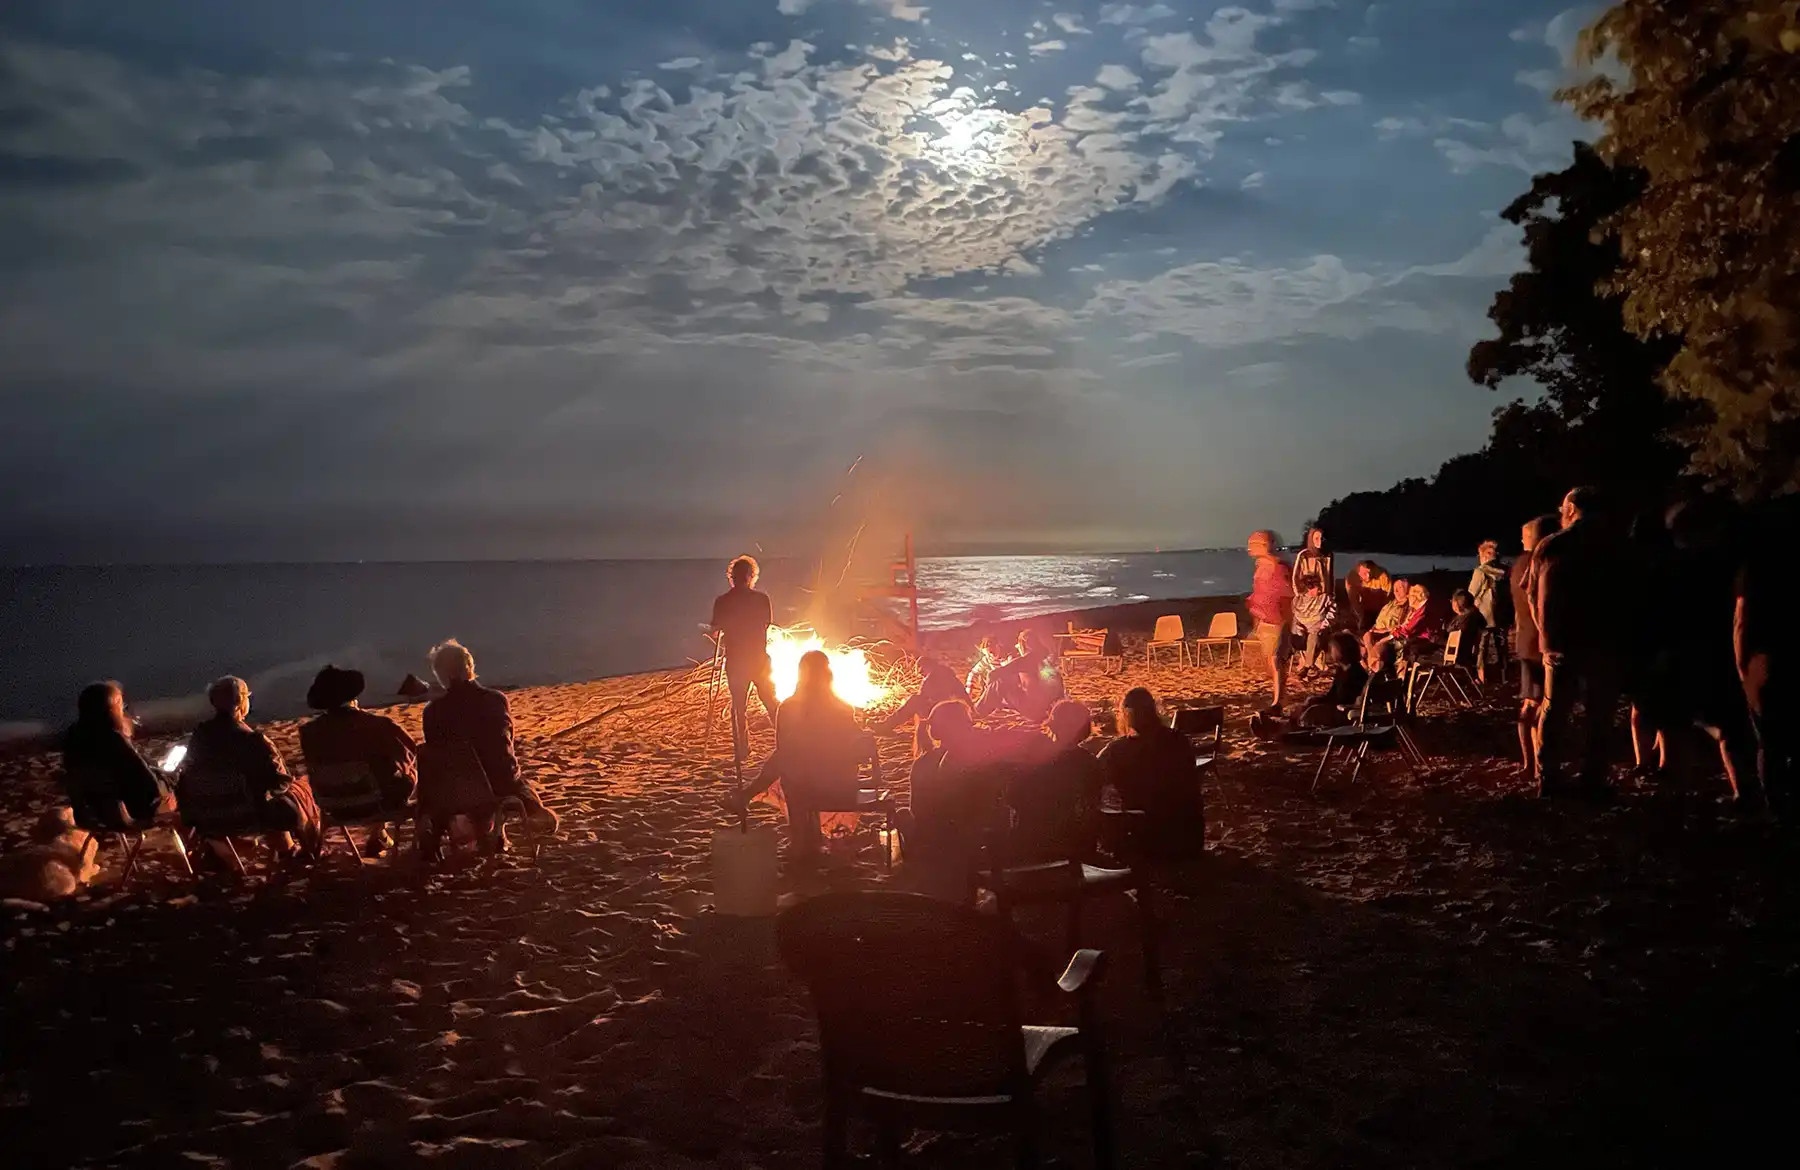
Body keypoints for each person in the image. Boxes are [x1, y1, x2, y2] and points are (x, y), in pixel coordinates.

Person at [732, 650, 878, 860]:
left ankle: (754, 799)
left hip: (808, 788)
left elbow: (783, 754)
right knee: (792, 764)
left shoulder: (789, 708)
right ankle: (752, 797)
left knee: (787, 764)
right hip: (842, 786)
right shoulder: (844, 708)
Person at [1531, 487, 1627, 798]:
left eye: (1562, 508)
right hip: (1602, 640)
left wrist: (1544, 635)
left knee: (1554, 709)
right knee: (1599, 713)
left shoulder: (1551, 545)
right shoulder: (1614, 544)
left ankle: (1549, 777)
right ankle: (1593, 777)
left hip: (1561, 642)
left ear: (1572, 508)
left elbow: (1532, 595)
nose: (1560, 513)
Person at [422, 639, 559, 840]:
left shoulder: (432, 712)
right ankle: (532, 813)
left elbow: (436, 753)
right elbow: (504, 748)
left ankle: (476, 830)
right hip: (496, 784)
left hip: (451, 791)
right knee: (514, 778)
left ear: (443, 675)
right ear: (469, 667)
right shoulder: (494, 700)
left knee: (486, 776)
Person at [180, 676, 323, 861]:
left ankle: (220, 851)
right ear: (241, 703)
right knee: (295, 791)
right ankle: (297, 850)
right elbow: (278, 780)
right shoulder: (251, 740)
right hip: (247, 814)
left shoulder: (199, 737)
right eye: (247, 697)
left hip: (207, 813)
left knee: (265, 793)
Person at [298, 665, 419, 855]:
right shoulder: (377, 725)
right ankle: (380, 833)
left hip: (333, 806)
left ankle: (378, 835)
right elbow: (408, 750)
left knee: (374, 773)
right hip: (376, 803)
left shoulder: (308, 733)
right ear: (353, 696)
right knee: (400, 773)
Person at [1738, 495, 1800, 818]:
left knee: (1771, 739)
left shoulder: (1759, 565)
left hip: (1769, 658)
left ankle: (1776, 808)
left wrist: (1741, 663)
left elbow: (1742, 618)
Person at [1098, 688, 1204, 859]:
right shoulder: (1178, 740)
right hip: (1188, 834)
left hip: (1150, 838)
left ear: (1126, 714)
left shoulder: (1118, 750)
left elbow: (1094, 772)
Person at [60, 681, 171, 830]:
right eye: (121, 704)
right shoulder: (113, 739)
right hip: (127, 815)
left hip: (91, 815)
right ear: (111, 708)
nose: (123, 709)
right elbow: (150, 785)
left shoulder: (73, 739)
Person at [1004, 699, 1104, 864]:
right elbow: (1093, 804)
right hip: (1075, 848)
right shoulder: (1089, 763)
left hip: (1030, 845)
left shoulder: (1034, 759)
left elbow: (1012, 797)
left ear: (1052, 725)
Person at [709, 555, 781, 764]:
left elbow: (715, 630)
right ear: (751, 576)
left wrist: (718, 629)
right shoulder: (761, 599)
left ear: (731, 577)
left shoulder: (722, 601)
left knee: (738, 706)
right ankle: (785, 740)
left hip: (737, 660)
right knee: (769, 700)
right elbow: (766, 624)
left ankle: (743, 749)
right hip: (759, 658)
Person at [1512, 514, 1560, 778]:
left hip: (1527, 643)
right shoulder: (1540, 563)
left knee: (1534, 703)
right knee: (1537, 706)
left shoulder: (1520, 563)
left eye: (1523, 535)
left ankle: (1531, 764)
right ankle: (1537, 765)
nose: (1520, 540)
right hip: (1540, 645)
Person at [878, 656, 970, 756]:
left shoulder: (931, 678)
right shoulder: (950, 675)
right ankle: (887, 724)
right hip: (955, 712)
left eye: (921, 670)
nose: (920, 673)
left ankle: (887, 725)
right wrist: (972, 710)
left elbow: (922, 698)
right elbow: (964, 694)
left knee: (914, 701)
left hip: (940, 713)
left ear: (927, 666)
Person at [1246, 530, 1295, 713]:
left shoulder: (1279, 567)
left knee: (1276, 660)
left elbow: (1288, 593)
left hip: (1279, 620)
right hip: (1264, 619)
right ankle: (1281, 694)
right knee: (1270, 661)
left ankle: (1278, 701)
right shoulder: (1261, 566)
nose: (1249, 548)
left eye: (1253, 544)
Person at [974, 629, 1065, 722]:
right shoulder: (1049, 658)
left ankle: (977, 712)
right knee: (1009, 680)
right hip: (1053, 710)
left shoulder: (1024, 661)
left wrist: (989, 689)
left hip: (1037, 713)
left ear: (1023, 645)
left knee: (1000, 683)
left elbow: (992, 674)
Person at [1290, 527, 1337, 676]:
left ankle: (1309, 664)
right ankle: (1306, 661)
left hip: (1323, 598)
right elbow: (1295, 577)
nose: (1319, 541)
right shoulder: (1304, 555)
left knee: (1317, 630)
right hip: (1307, 597)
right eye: (1316, 538)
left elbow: (1330, 576)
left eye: (1321, 538)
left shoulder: (1328, 555)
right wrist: (1304, 593)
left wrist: (1331, 593)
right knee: (1299, 629)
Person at [1296, 633, 1369, 727]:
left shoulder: (1354, 674)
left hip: (1345, 711)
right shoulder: (1342, 670)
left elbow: (1343, 700)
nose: (1330, 652)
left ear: (1342, 650)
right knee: (1310, 702)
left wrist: (1320, 703)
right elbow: (1332, 694)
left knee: (1313, 711)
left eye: (1332, 649)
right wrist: (1317, 700)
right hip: (1338, 706)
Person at [1362, 576, 1412, 660]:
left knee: (1367, 639)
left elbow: (1403, 626)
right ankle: (1369, 663)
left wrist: (1383, 630)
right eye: (1395, 588)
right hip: (1375, 632)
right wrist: (1374, 628)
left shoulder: (1408, 606)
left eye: (1399, 588)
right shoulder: (1389, 604)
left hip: (1388, 635)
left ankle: (1371, 664)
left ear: (1407, 589)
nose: (1395, 591)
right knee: (1357, 644)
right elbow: (1378, 621)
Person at [1467, 541, 1509, 630]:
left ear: (1484, 556)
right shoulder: (1506, 572)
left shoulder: (1480, 572)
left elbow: (1470, 595)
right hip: (1503, 617)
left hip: (1484, 619)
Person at [1344, 561, 1392, 635]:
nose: (1368, 576)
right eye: (1364, 574)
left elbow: (1387, 598)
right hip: (1363, 607)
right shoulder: (1352, 578)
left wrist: (1381, 614)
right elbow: (1353, 600)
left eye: (1369, 572)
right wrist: (1361, 615)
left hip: (1379, 607)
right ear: (1358, 572)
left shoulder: (1383, 575)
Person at [1447, 590, 1488, 668]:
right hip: (1466, 652)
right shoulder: (1476, 615)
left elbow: (1451, 635)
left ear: (1457, 604)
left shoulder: (1464, 619)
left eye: (1452, 601)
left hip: (1456, 653)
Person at [965, 635, 1002, 701]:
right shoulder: (987, 660)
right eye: (989, 653)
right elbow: (973, 673)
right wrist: (969, 693)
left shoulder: (1008, 659)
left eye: (993, 651)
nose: (991, 655)